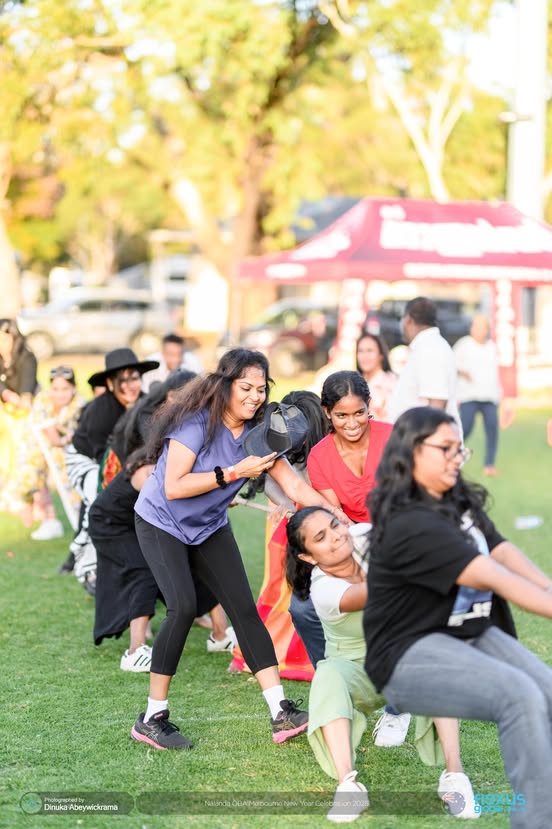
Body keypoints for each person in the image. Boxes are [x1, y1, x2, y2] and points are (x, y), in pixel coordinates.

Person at [131, 348, 349, 751]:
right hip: (161, 521)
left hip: (208, 526)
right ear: (225, 385)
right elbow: (173, 487)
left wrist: (337, 515)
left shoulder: (261, 436)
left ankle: (279, 710)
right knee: (181, 605)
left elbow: (298, 489)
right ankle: (152, 717)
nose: (254, 396)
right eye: (245, 387)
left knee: (245, 611)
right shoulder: (197, 424)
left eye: (261, 389)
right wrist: (233, 472)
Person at [364, 405, 552, 827]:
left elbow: (500, 548)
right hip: (406, 653)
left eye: (459, 451)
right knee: (519, 696)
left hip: (465, 632)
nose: (455, 458)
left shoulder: (453, 498)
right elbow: (492, 575)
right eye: (445, 449)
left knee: (547, 693)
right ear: (412, 451)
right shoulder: (410, 522)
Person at [65, 348, 159, 593]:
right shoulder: (101, 410)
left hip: (126, 465)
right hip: (86, 460)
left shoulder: (145, 404)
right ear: (110, 383)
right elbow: (103, 458)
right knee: (100, 501)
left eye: (134, 378)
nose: (130, 385)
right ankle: (86, 566)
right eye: (123, 380)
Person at [1, 365, 85, 538]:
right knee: (30, 478)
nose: (60, 394)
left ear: (74, 388)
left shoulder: (81, 405)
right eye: (55, 389)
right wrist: (66, 438)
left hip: (67, 450)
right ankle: (46, 518)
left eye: (65, 389)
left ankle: (80, 522)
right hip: (36, 443)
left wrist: (68, 439)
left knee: (70, 480)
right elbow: (53, 438)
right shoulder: (42, 401)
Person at [388, 297, 460, 430]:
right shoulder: (427, 346)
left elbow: (437, 404)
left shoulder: (430, 348)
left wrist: (423, 445)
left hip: (425, 445)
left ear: (408, 320)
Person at [453, 315, 501, 476]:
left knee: (492, 430)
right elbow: (451, 365)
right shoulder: (464, 345)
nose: (478, 330)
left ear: (487, 329)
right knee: (464, 429)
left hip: (489, 397)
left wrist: (500, 396)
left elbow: (496, 373)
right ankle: (451, 456)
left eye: (481, 327)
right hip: (469, 396)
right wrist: (463, 372)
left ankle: (489, 464)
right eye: (475, 326)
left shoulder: (492, 348)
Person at [0, 318, 38, 489]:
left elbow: (25, 397)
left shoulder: (27, 359)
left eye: (4, 339)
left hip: (24, 415)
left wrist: (14, 399)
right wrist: (5, 393)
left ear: (14, 338)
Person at [355, 333, 397, 421]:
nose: (364, 356)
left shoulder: (391, 383)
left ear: (381, 354)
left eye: (369, 350)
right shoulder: (353, 383)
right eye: (361, 351)